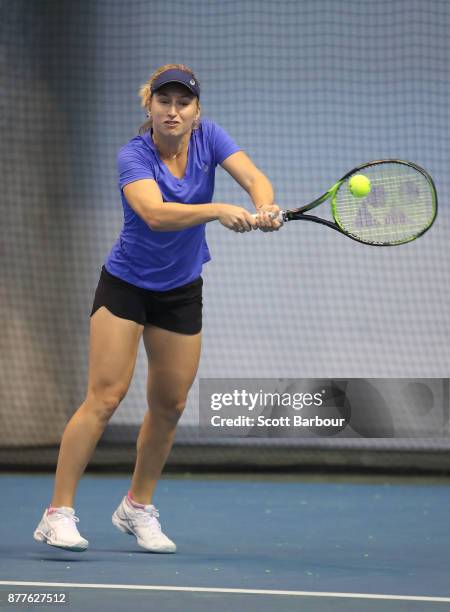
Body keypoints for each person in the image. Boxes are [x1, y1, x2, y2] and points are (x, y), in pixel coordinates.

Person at [33, 64, 280, 554]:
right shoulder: (133, 154)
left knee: (170, 405)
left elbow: (254, 178)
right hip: (126, 287)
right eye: (164, 102)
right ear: (149, 107)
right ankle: (57, 513)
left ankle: (137, 507)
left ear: (195, 111)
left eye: (182, 103)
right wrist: (216, 210)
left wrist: (265, 206)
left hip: (181, 289)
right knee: (104, 397)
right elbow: (154, 213)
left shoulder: (210, 137)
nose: (173, 110)